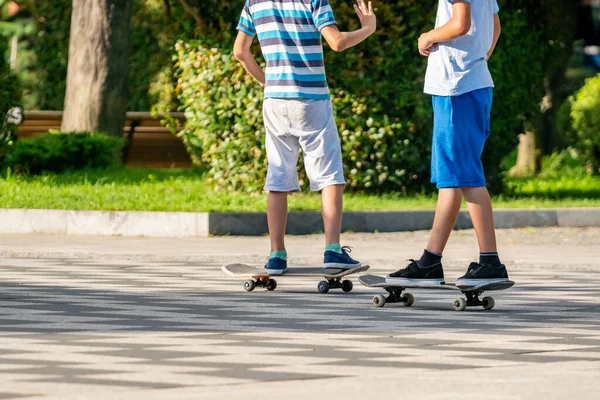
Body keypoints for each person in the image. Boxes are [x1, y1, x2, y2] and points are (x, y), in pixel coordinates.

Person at [233, 0, 377, 274]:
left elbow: (240, 51)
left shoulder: (254, 2)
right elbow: (336, 42)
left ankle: (276, 255)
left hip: (275, 100)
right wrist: (367, 28)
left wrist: (266, 81)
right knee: (329, 174)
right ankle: (333, 251)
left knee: (278, 176)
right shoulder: (313, 0)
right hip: (311, 100)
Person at [387, 0, 509, 287]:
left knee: (466, 177)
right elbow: (495, 26)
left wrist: (428, 36)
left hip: (456, 87)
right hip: (470, 83)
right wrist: (478, 60)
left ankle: (490, 261)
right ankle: (430, 262)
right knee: (451, 180)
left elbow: (460, 23)